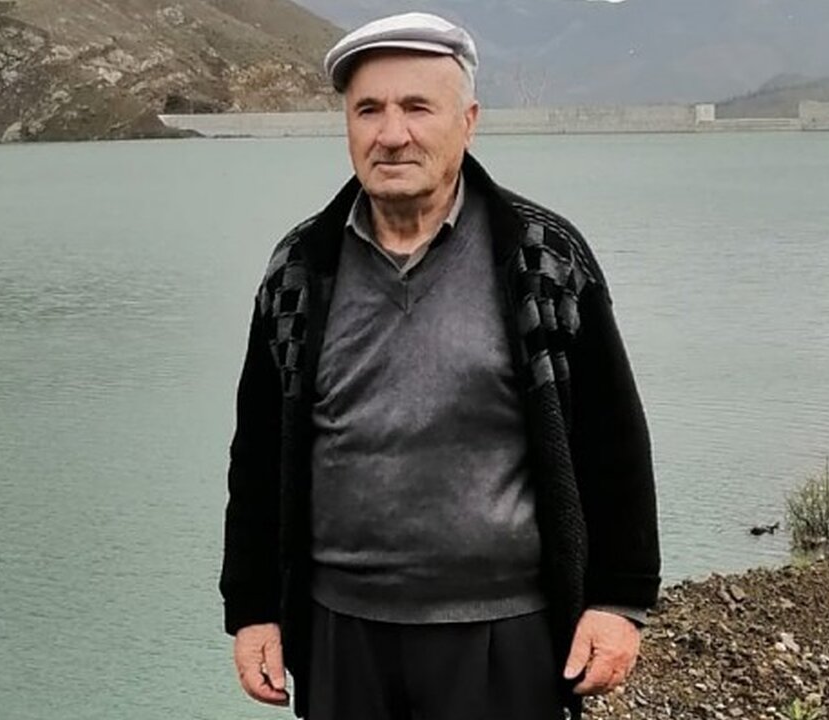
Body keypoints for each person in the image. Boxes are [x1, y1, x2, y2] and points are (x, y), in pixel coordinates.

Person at [219, 12, 660, 720]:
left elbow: (613, 441)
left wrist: (618, 601)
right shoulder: (300, 268)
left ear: (468, 122)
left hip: (507, 635)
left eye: (417, 108)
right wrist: (253, 610)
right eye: (369, 110)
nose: (392, 134)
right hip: (341, 636)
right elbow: (258, 455)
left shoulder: (543, 260)